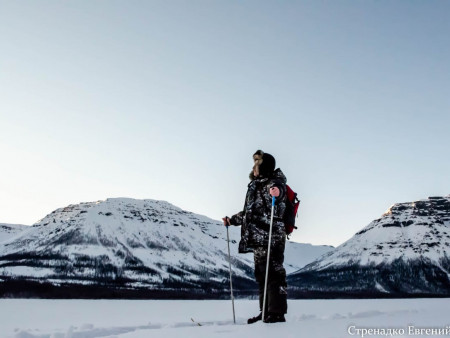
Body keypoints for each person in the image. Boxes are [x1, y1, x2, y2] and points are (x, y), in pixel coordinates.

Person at [223, 150, 288, 324]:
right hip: (258, 239)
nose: (254, 168)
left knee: (274, 274)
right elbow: (249, 213)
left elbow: (279, 191)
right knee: (262, 276)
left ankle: (277, 313)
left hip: (271, 237)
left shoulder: (274, 182)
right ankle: (265, 311)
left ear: (263, 166)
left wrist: (277, 192)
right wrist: (232, 220)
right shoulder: (255, 185)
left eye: (256, 164)